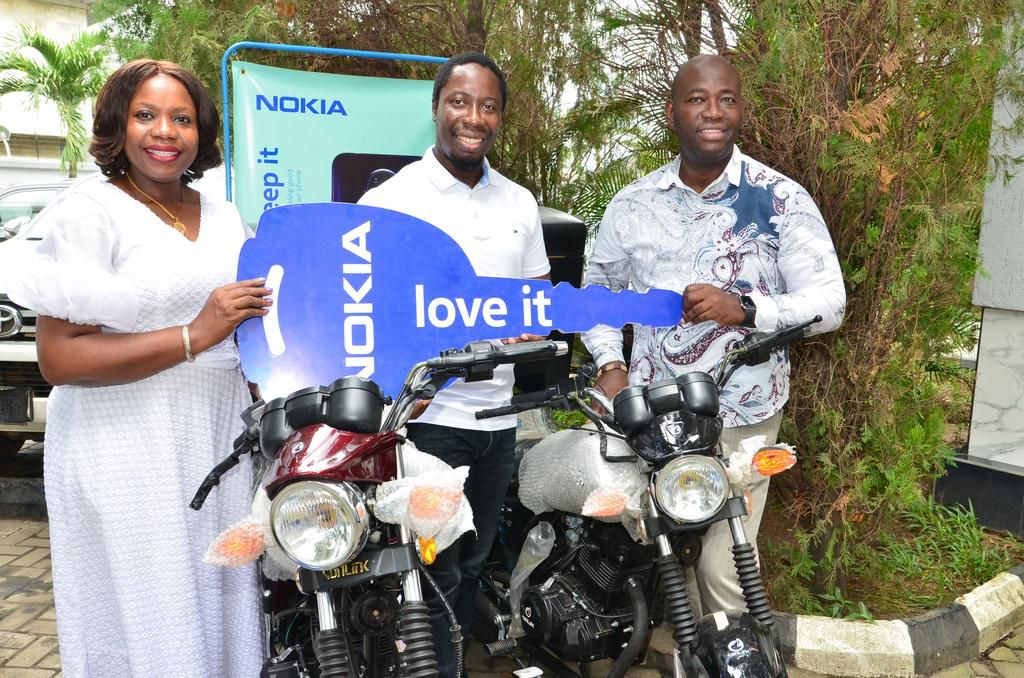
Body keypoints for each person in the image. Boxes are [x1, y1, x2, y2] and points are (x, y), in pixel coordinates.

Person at [3, 60, 270, 676]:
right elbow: (60, 357)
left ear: (201, 132)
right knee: (148, 615)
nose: (164, 131)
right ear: (118, 126)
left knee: (218, 602)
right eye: (145, 115)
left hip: (215, 442)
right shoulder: (89, 214)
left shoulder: (224, 215)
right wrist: (194, 334)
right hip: (124, 450)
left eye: (181, 118)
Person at [582, 54, 846, 617]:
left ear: (740, 109)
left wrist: (745, 309)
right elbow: (596, 292)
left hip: (742, 420)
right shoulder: (633, 204)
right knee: (651, 557)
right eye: (698, 99)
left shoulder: (779, 200)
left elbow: (830, 305)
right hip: (650, 419)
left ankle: (734, 655)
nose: (713, 112)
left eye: (726, 99)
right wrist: (609, 364)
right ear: (673, 112)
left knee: (723, 572)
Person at [358, 51, 550, 677]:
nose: (474, 117)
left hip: (498, 423)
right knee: (427, 564)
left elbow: (537, 303)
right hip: (424, 419)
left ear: (501, 117)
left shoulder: (521, 203)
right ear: (436, 107)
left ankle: (451, 665)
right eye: (460, 102)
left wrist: (529, 326)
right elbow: (369, 310)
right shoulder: (389, 200)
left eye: (488, 105)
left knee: (472, 560)